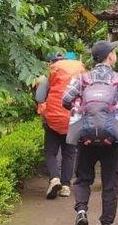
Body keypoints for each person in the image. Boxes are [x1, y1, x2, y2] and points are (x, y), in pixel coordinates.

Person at [62, 40, 118, 225]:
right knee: (110, 181)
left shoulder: (83, 79)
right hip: (112, 139)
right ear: (110, 56)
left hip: (85, 138)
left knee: (83, 178)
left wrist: (85, 112)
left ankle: (82, 211)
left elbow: (65, 100)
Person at [35, 52, 85, 200]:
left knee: (51, 152)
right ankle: (65, 186)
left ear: (51, 63)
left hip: (53, 120)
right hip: (73, 118)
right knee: (69, 153)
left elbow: (39, 97)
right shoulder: (79, 75)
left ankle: (54, 178)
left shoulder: (48, 77)